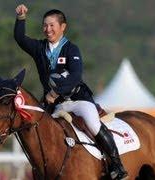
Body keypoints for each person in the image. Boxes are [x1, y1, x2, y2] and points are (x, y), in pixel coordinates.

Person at [14, 4, 128, 179]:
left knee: (93, 123)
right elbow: (20, 38)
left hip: (77, 100)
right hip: (56, 106)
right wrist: (21, 18)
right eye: (45, 25)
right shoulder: (39, 48)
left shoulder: (71, 49)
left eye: (52, 25)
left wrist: (54, 93)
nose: (47, 29)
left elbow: (75, 76)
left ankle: (117, 165)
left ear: (62, 27)